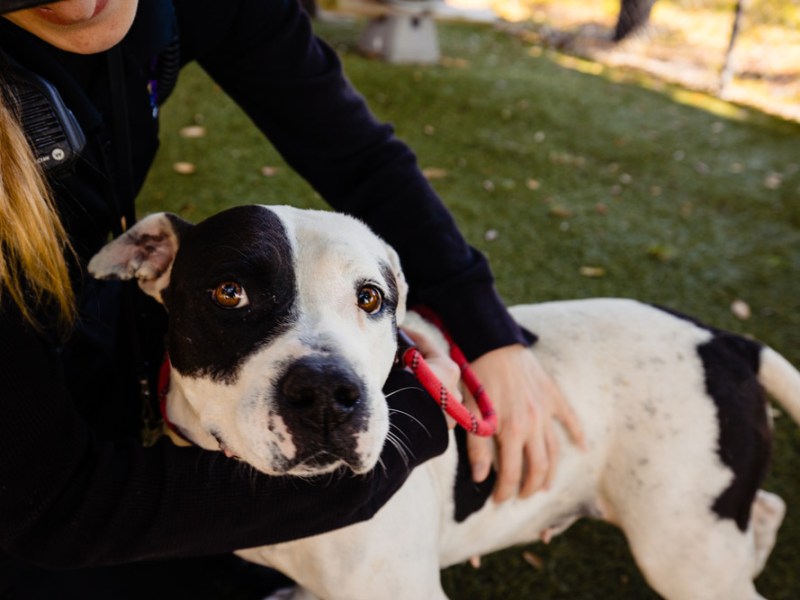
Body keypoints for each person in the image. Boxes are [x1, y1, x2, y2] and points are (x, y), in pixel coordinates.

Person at [0, 0, 583, 597]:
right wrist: (420, 427)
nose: (76, 4)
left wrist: (488, 331)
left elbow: (355, 151)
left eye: (367, 299)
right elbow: (49, 506)